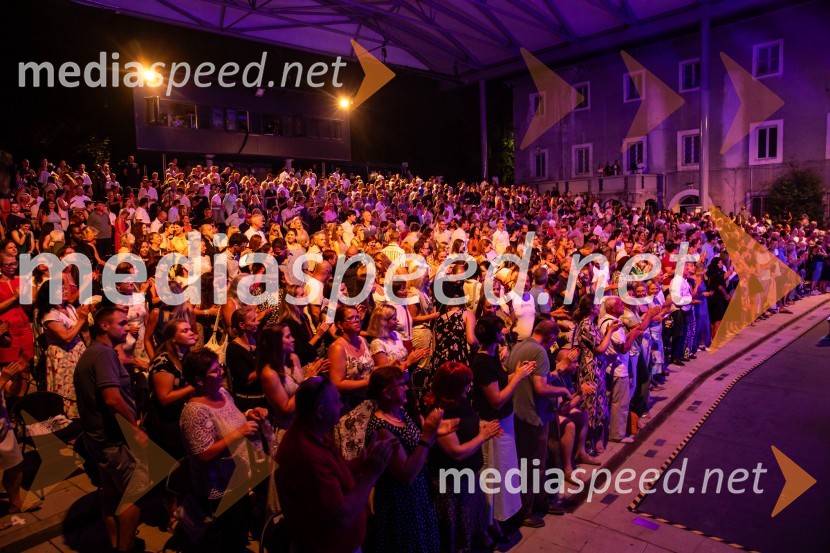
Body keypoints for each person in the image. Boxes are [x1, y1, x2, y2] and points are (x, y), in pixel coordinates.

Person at [276, 376, 395, 553]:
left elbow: (335, 474)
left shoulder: (314, 431)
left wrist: (361, 463)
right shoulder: (307, 455)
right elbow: (341, 516)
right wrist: (372, 473)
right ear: (320, 411)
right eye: (337, 401)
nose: (341, 406)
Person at [179, 348, 268, 553]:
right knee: (232, 535)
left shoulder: (222, 393)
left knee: (241, 527)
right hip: (222, 485)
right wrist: (239, 433)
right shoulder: (193, 412)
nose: (221, 372)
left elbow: (233, 418)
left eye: (219, 367)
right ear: (199, 380)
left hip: (240, 475)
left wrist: (250, 414)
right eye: (214, 371)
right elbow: (203, 453)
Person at [74, 307, 148, 553]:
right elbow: (112, 399)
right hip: (112, 439)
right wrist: (134, 427)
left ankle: (116, 544)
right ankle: (125, 548)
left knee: (111, 492)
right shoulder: (103, 355)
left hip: (99, 438)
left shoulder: (97, 352)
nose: (128, 327)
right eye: (122, 323)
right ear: (104, 326)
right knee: (134, 492)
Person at [365, 366, 444, 553]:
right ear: (387, 393)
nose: (406, 388)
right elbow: (406, 474)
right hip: (401, 503)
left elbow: (419, 444)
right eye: (401, 385)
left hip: (419, 495)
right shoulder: (381, 428)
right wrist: (427, 437)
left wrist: (436, 429)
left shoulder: (400, 413)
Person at [426, 362, 502, 552]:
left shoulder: (461, 401)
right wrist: (482, 437)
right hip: (450, 481)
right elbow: (456, 453)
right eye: (465, 383)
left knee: (469, 522)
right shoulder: (439, 412)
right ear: (452, 386)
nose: (470, 386)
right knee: (454, 528)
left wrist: (483, 429)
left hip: (468, 474)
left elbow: (466, 429)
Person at [471, 315, 533, 536]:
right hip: (493, 425)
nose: (505, 331)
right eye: (501, 329)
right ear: (494, 335)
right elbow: (496, 400)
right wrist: (518, 377)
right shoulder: (482, 363)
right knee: (494, 475)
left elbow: (501, 382)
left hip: (505, 422)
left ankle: (501, 518)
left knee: (505, 472)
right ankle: (491, 525)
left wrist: (516, 372)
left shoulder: (492, 356)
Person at [507, 319, 572, 527]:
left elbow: (531, 378)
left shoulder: (518, 347)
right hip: (533, 416)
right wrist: (563, 390)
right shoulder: (540, 352)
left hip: (517, 414)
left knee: (531, 463)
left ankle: (540, 502)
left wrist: (558, 371)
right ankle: (527, 512)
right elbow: (540, 388)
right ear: (551, 338)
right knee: (532, 466)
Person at [572, 295, 620, 454]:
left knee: (599, 403)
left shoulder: (591, 324)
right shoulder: (586, 325)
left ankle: (596, 439)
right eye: (597, 304)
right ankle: (587, 443)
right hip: (590, 370)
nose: (600, 306)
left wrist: (606, 331)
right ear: (592, 308)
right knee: (590, 406)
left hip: (597, 369)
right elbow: (599, 349)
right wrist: (610, 331)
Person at [38, 278, 91, 418]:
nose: (65, 290)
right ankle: (70, 422)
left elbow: (81, 328)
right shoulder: (50, 315)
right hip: (63, 356)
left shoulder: (69, 307)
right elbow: (66, 337)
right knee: (67, 389)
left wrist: (85, 316)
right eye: (60, 289)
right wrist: (81, 320)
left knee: (81, 386)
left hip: (77, 352)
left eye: (64, 288)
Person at [327, 305, 375, 414]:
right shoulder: (338, 347)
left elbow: (367, 369)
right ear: (340, 324)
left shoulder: (362, 340)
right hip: (351, 408)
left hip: (370, 401)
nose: (357, 320)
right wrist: (367, 382)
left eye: (358, 317)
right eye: (352, 318)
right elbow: (337, 383)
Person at [225, 306, 265, 412]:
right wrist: (267, 364)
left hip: (264, 397)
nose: (257, 322)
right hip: (249, 402)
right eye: (253, 320)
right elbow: (247, 380)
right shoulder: (233, 349)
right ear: (242, 325)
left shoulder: (258, 339)